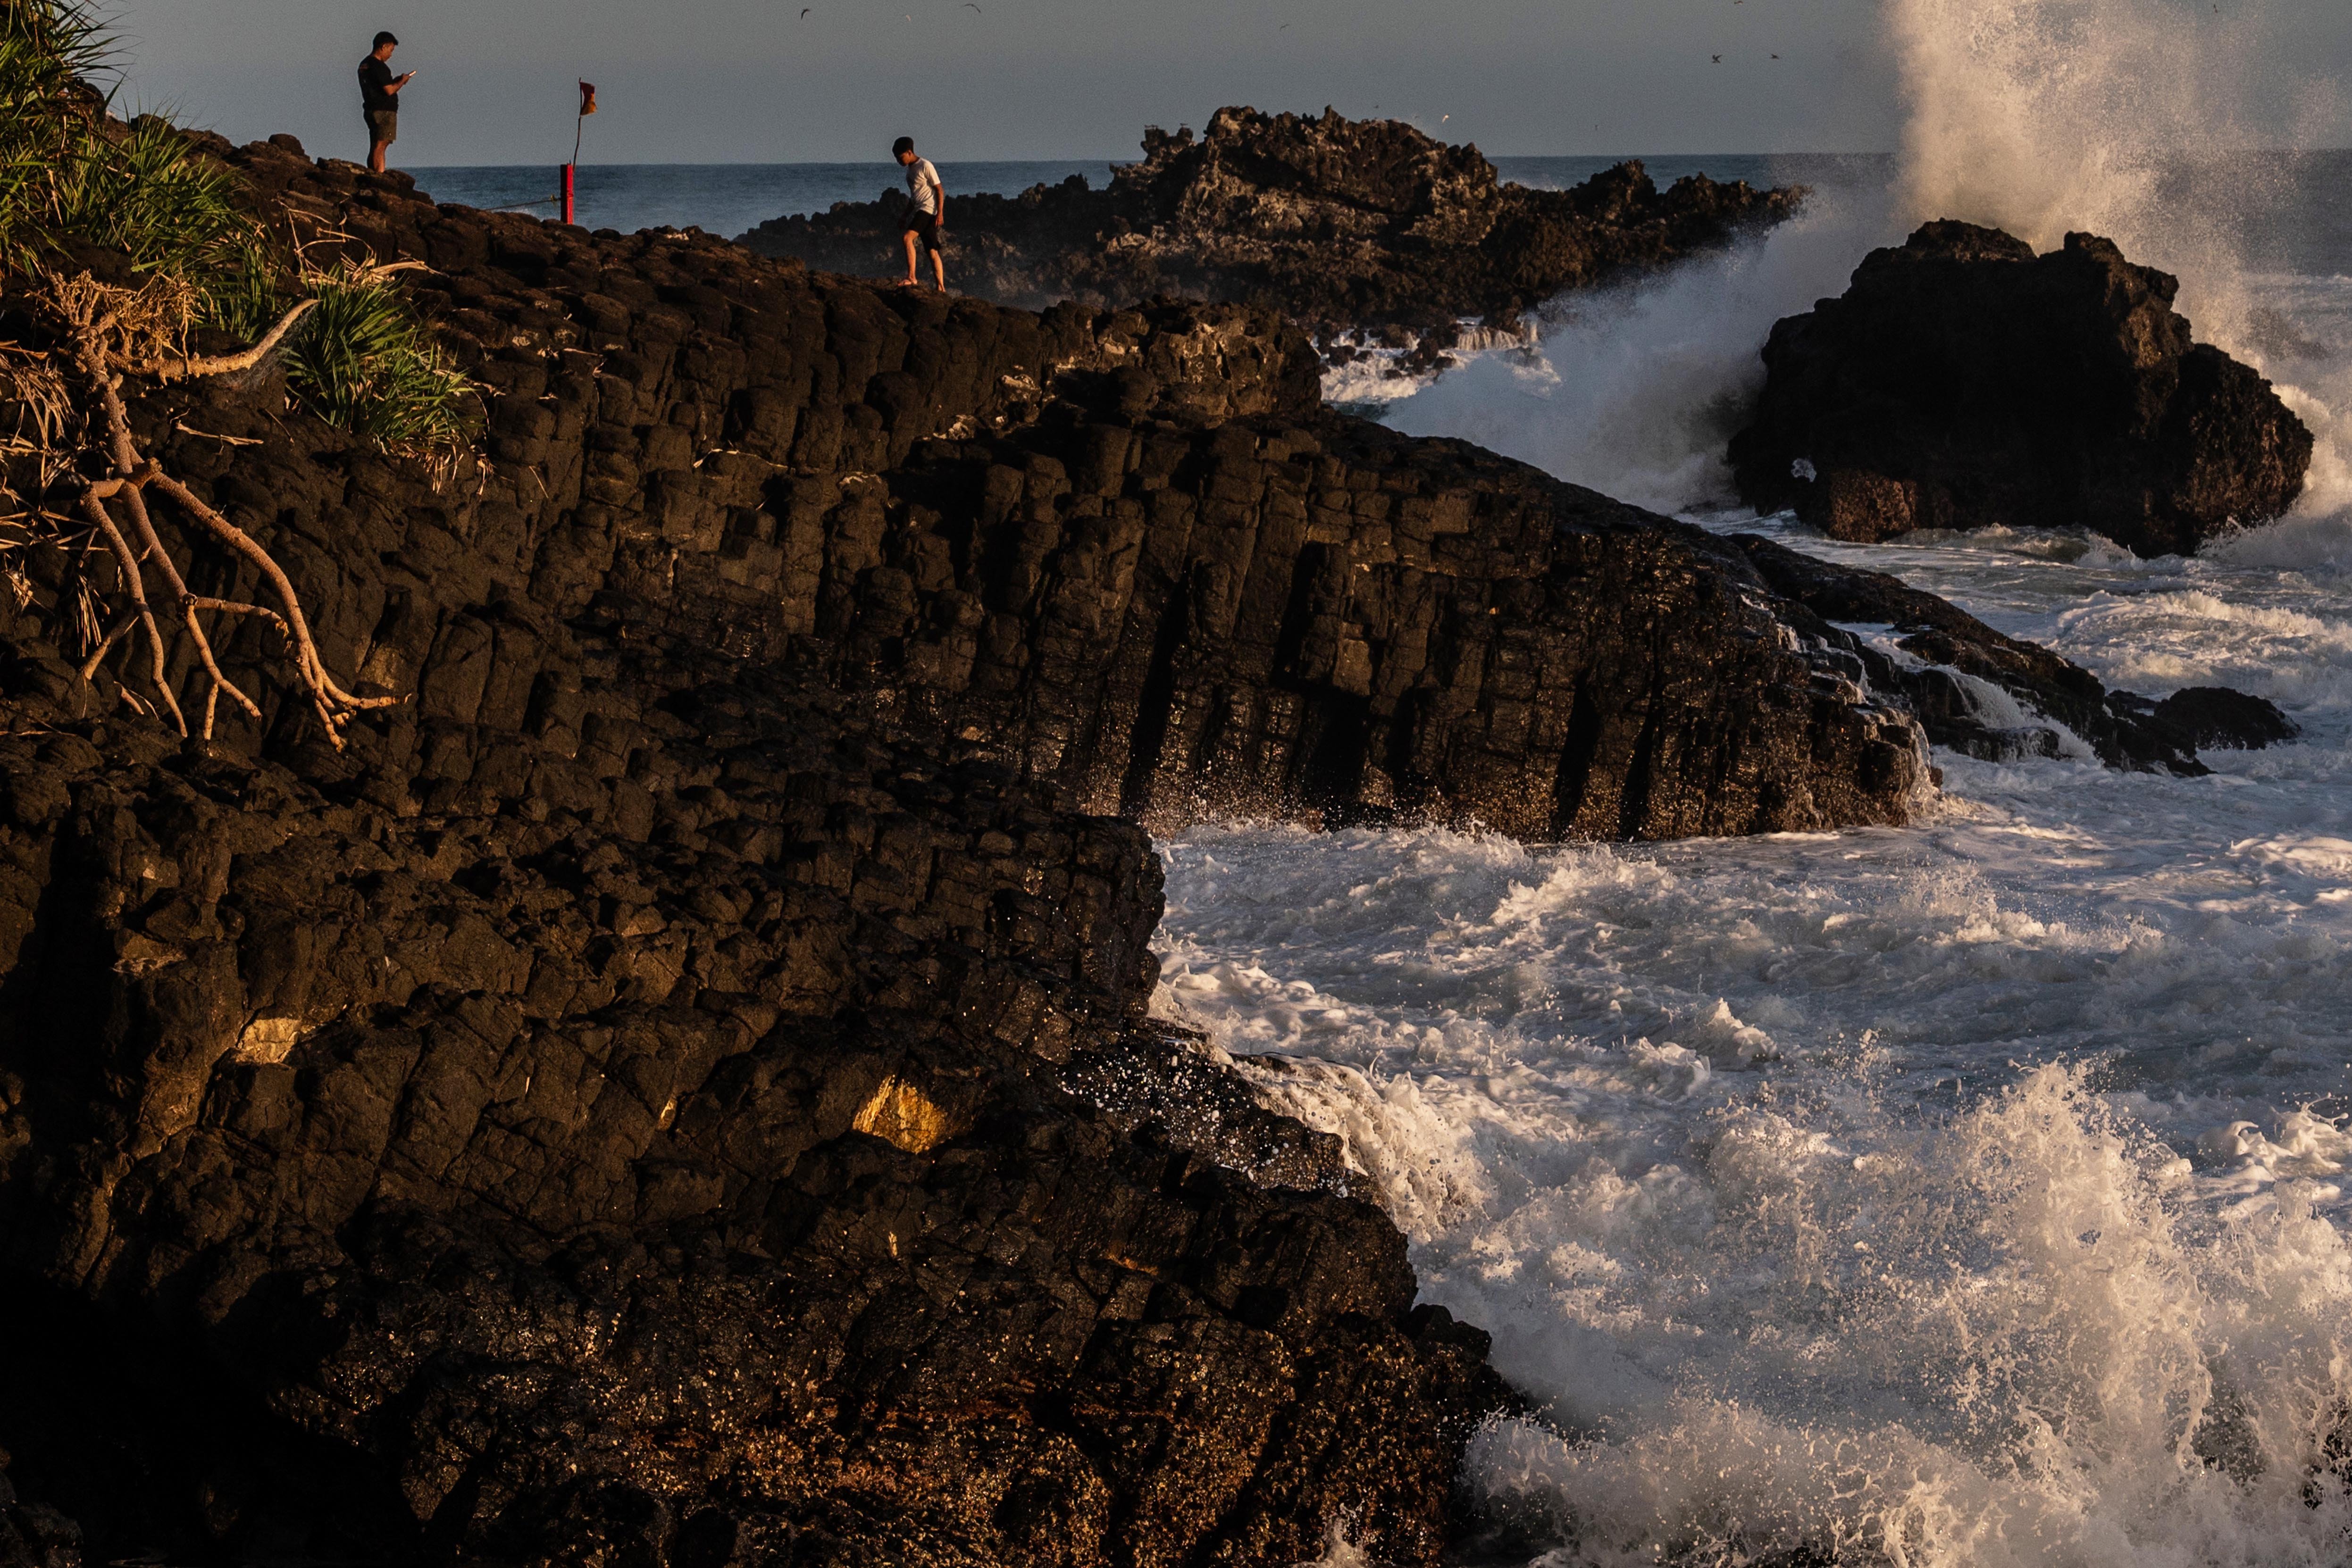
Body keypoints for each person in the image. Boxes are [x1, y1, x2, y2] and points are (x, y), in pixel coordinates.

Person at [893, 136, 946, 293]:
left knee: (907, 238)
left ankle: (911, 277)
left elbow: (939, 189)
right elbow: (914, 198)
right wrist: (904, 216)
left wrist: (940, 213)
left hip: (928, 210)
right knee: (932, 251)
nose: (899, 161)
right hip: (921, 210)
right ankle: (941, 288)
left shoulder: (925, 165)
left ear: (909, 152)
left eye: (900, 157)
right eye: (896, 159)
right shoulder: (910, 172)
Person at [357, 31, 413, 174]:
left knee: (376, 144)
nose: (391, 55)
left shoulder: (365, 65)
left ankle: (375, 172)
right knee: (381, 144)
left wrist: (395, 81)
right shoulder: (379, 66)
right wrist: (402, 81)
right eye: (391, 50)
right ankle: (378, 174)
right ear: (383, 47)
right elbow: (389, 90)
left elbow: (379, 86)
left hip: (371, 109)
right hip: (383, 111)